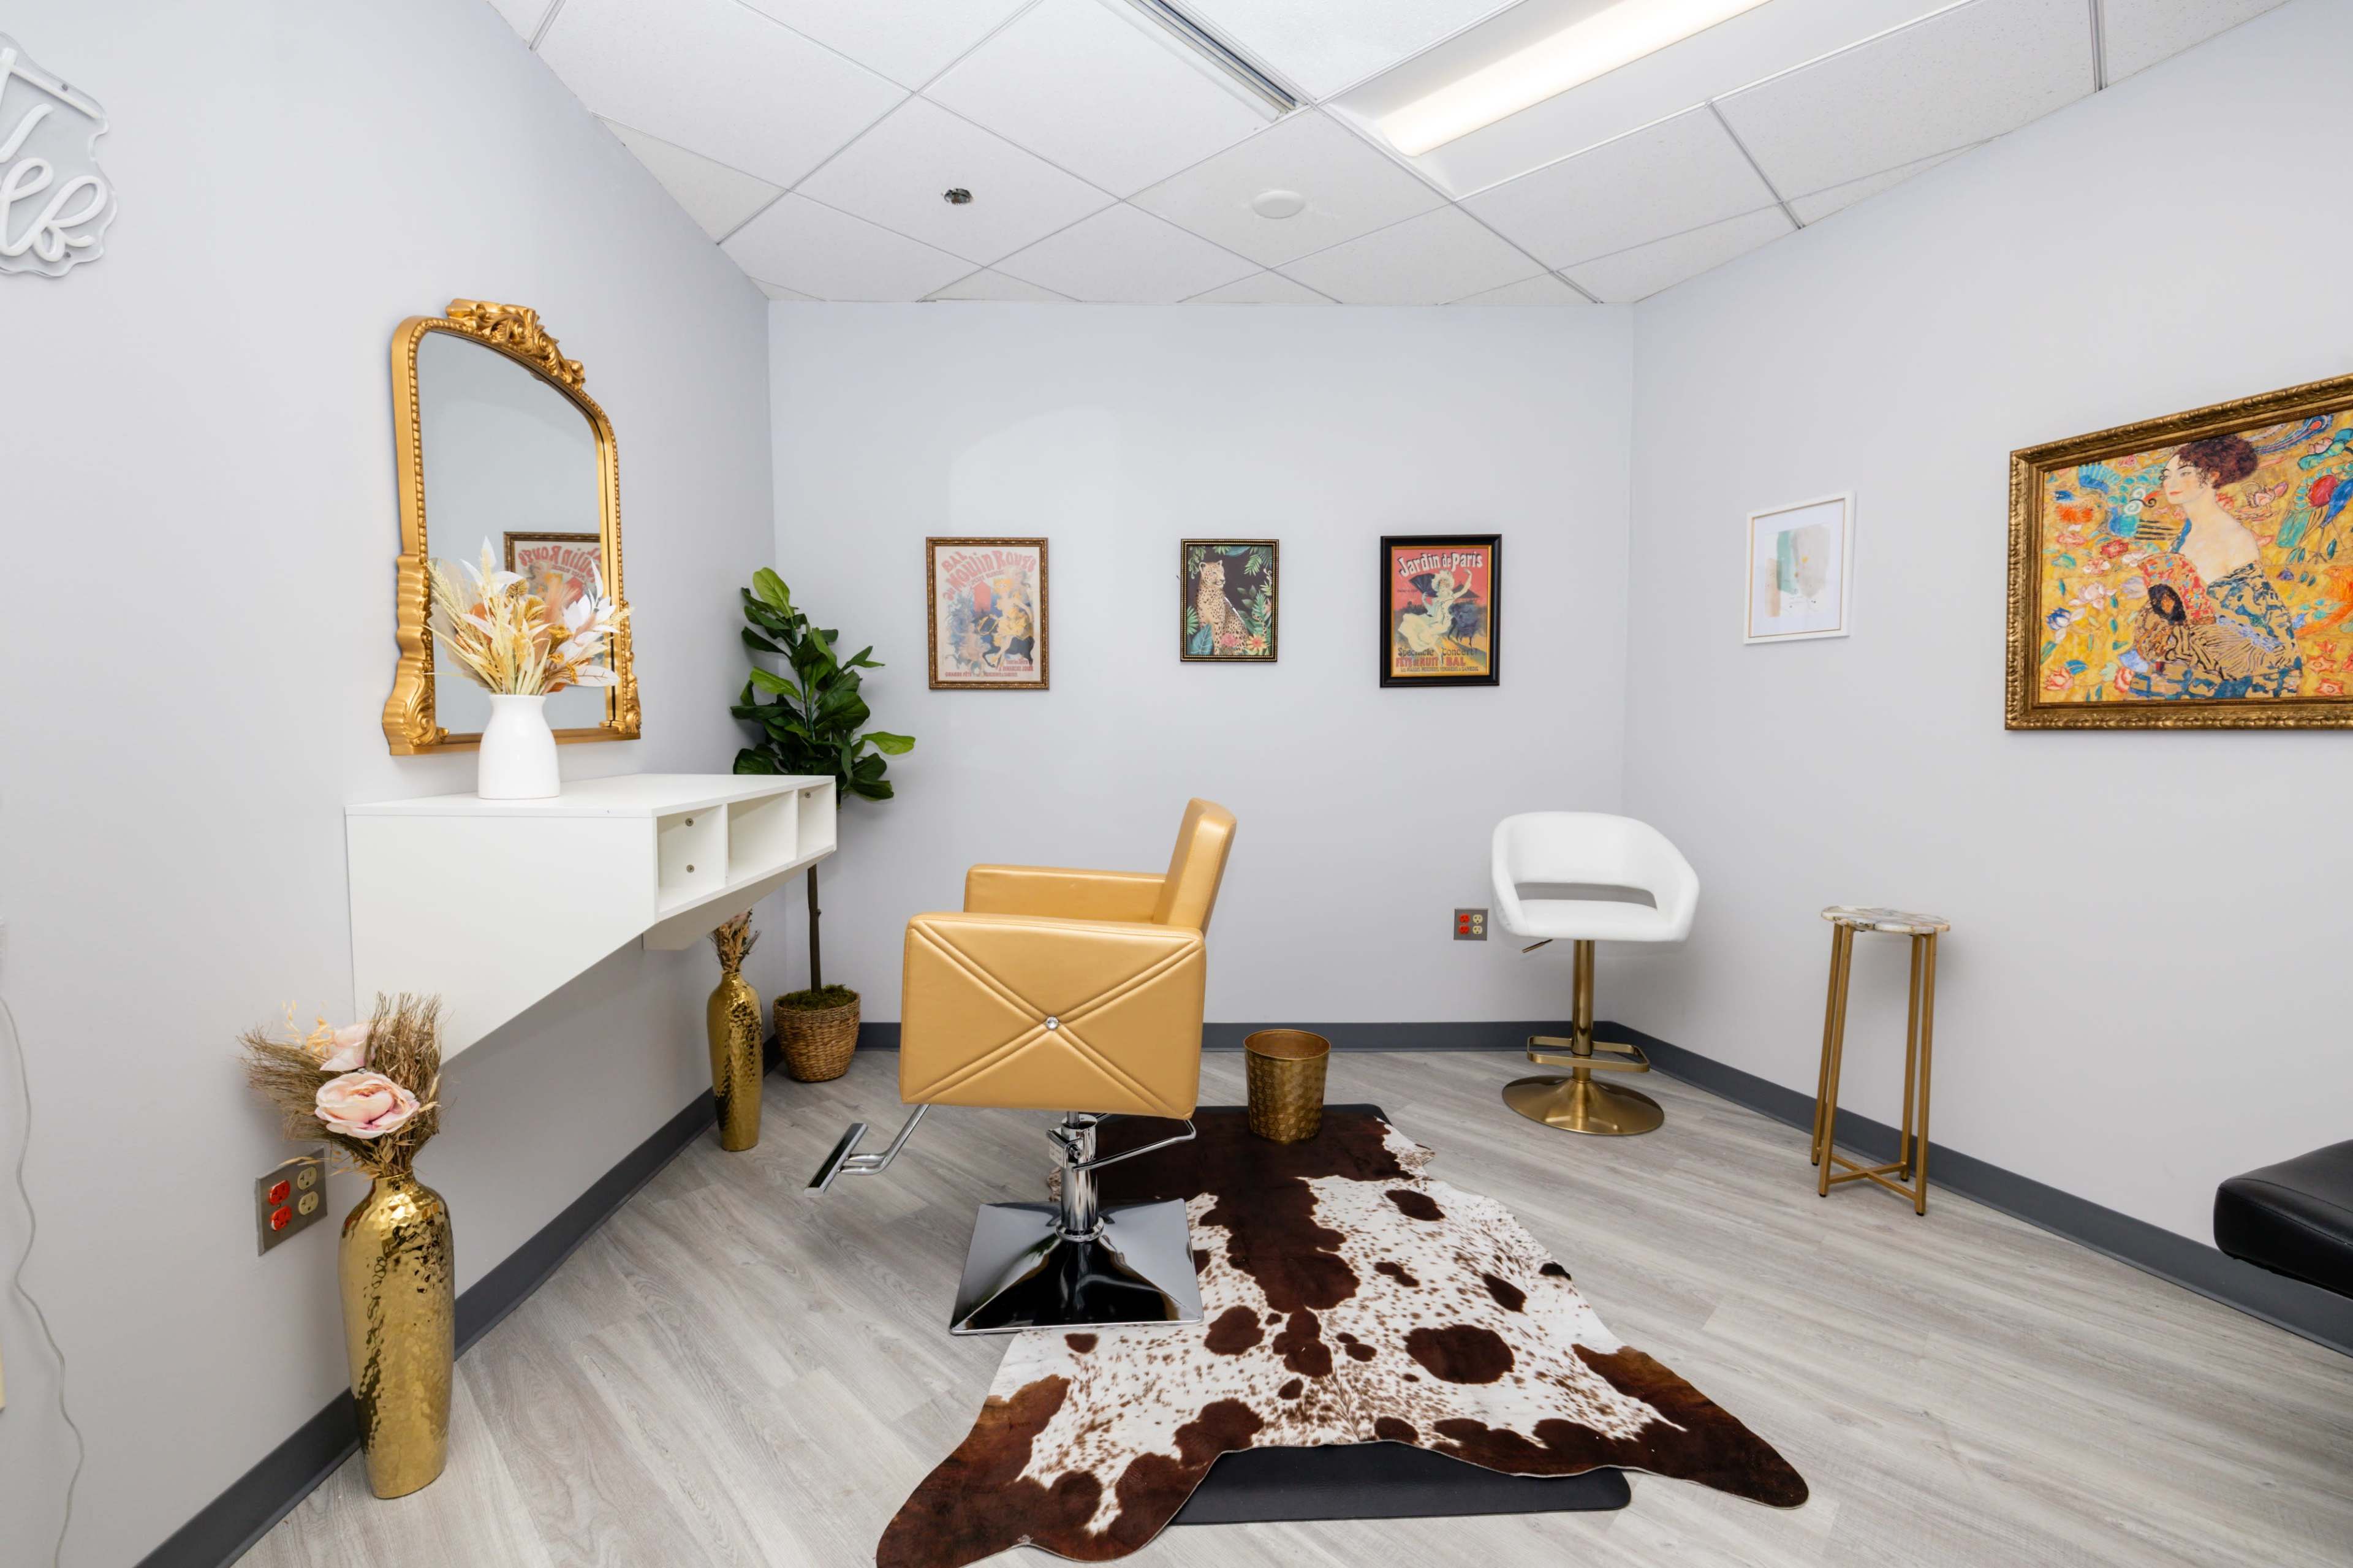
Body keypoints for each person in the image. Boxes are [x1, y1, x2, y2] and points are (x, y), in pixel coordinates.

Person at [2150, 436, 2302, 699]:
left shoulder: (2229, 535)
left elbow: (2236, 614)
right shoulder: (2186, 534)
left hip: (2235, 667)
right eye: (2166, 475)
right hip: (2193, 656)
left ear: (2212, 476)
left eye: (2184, 473)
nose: (2170, 483)